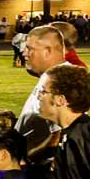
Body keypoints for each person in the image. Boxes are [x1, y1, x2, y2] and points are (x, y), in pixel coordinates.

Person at [14, 26, 69, 158]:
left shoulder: (62, 80)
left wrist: (28, 158)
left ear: (47, 51)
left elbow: (59, 135)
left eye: (29, 48)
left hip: (38, 171)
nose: (24, 53)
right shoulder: (51, 76)